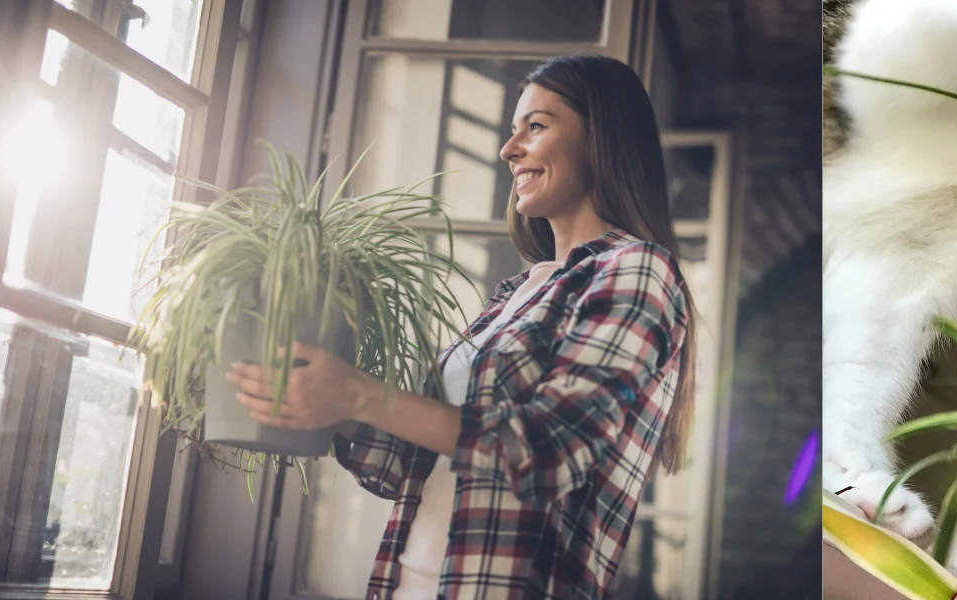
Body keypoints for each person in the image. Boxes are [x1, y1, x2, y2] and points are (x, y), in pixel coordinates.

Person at [225, 53, 697, 599]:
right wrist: (323, 399)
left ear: (602, 139)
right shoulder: (517, 292)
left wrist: (356, 393)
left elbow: (547, 452)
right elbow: (412, 464)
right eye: (513, 129)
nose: (508, 149)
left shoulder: (638, 270)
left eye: (536, 126)